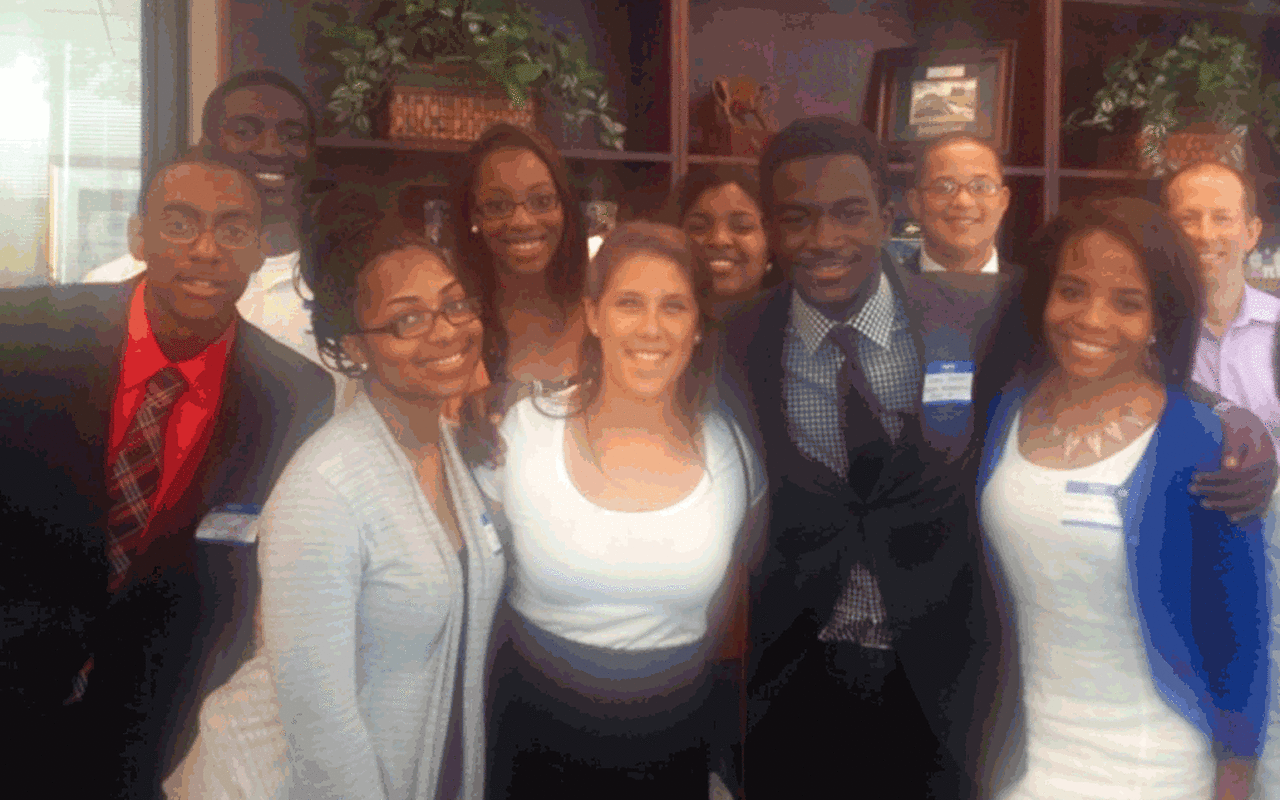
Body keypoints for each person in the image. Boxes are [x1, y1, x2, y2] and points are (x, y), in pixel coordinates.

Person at [721, 116, 1278, 800]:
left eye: (848, 212)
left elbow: (1099, 354)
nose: (825, 238)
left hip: (951, 695)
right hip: (797, 687)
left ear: (888, 213)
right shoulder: (731, 341)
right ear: (770, 225)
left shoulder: (977, 314)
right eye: (797, 217)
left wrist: (1225, 413)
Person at [0, 153, 335, 797]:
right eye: (180, 224)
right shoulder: (25, 337)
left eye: (233, 229)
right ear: (137, 237)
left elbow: (255, 577)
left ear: (262, 249)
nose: (206, 249)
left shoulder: (295, 398)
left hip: (152, 730)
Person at [171, 213, 508, 800]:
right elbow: (319, 722)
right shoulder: (324, 489)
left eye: (455, 305)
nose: (447, 331)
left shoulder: (450, 452)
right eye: (407, 319)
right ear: (355, 347)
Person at [977, 195, 1269, 800]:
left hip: (1148, 766)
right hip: (1018, 761)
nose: (1091, 319)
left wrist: (1236, 778)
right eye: (1073, 290)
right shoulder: (1007, 405)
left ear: (1160, 316)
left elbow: (1239, 633)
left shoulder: (1203, 443)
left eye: (1127, 302)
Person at [476, 221, 765, 799]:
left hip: (671, 746)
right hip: (531, 742)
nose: (651, 329)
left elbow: (738, 604)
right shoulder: (522, 434)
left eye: (674, 307)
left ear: (699, 326)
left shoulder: (733, 453)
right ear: (592, 314)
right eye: (629, 303)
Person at [83, 71, 332, 377]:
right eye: (244, 131)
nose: (272, 149)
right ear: (205, 145)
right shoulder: (113, 284)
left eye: (293, 136)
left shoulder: (346, 289)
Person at [450, 123, 590, 387]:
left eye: (542, 201)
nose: (522, 221)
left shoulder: (606, 312)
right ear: (473, 214)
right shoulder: (453, 329)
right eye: (497, 205)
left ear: (566, 207)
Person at [668, 165, 779, 319]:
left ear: (771, 241)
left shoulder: (796, 332)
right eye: (698, 227)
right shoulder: (647, 329)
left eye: (742, 227)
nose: (719, 240)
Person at [902, 133, 1014, 277]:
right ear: (915, 203)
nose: (963, 202)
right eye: (943, 187)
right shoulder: (884, 290)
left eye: (980, 187)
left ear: (1003, 201)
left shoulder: (1041, 294)